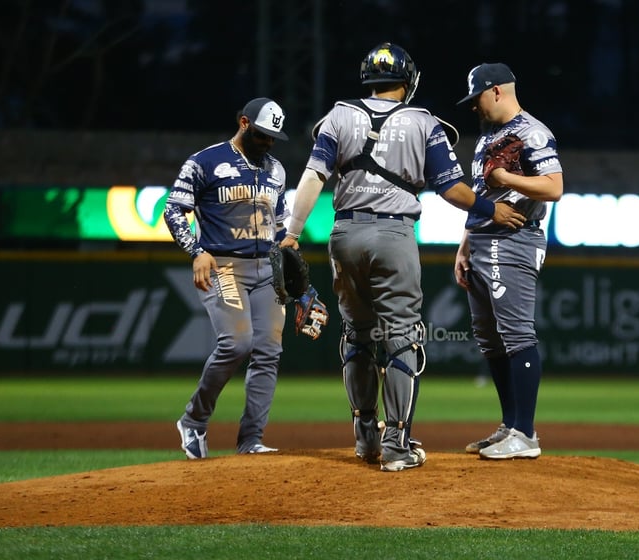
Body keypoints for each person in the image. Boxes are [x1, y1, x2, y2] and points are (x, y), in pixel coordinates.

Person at [281, 43, 524, 472]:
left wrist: (292, 234)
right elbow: (452, 190)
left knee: (356, 334)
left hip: (344, 233)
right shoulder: (423, 123)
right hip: (393, 234)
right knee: (400, 337)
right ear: (408, 81)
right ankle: (396, 445)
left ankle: (365, 438)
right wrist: (491, 209)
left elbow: (313, 176)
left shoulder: (338, 115)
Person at [164, 97, 291, 458]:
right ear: (244, 122)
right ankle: (194, 420)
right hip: (223, 265)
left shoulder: (277, 170)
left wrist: (299, 283)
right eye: (263, 134)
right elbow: (174, 210)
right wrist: (196, 251)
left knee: (268, 351)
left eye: (273, 138)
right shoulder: (205, 161)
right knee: (237, 343)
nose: (267, 143)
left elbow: (280, 227)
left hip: (266, 269)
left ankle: (251, 439)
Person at [454, 63, 564, 460]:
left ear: (497, 91)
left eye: (477, 97)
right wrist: (464, 245)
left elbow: (554, 187)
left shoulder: (532, 132)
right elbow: (485, 192)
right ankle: (509, 425)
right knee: (489, 337)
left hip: (514, 239)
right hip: (482, 239)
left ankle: (526, 433)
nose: (473, 107)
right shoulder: (489, 139)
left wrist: (508, 179)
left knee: (516, 334)